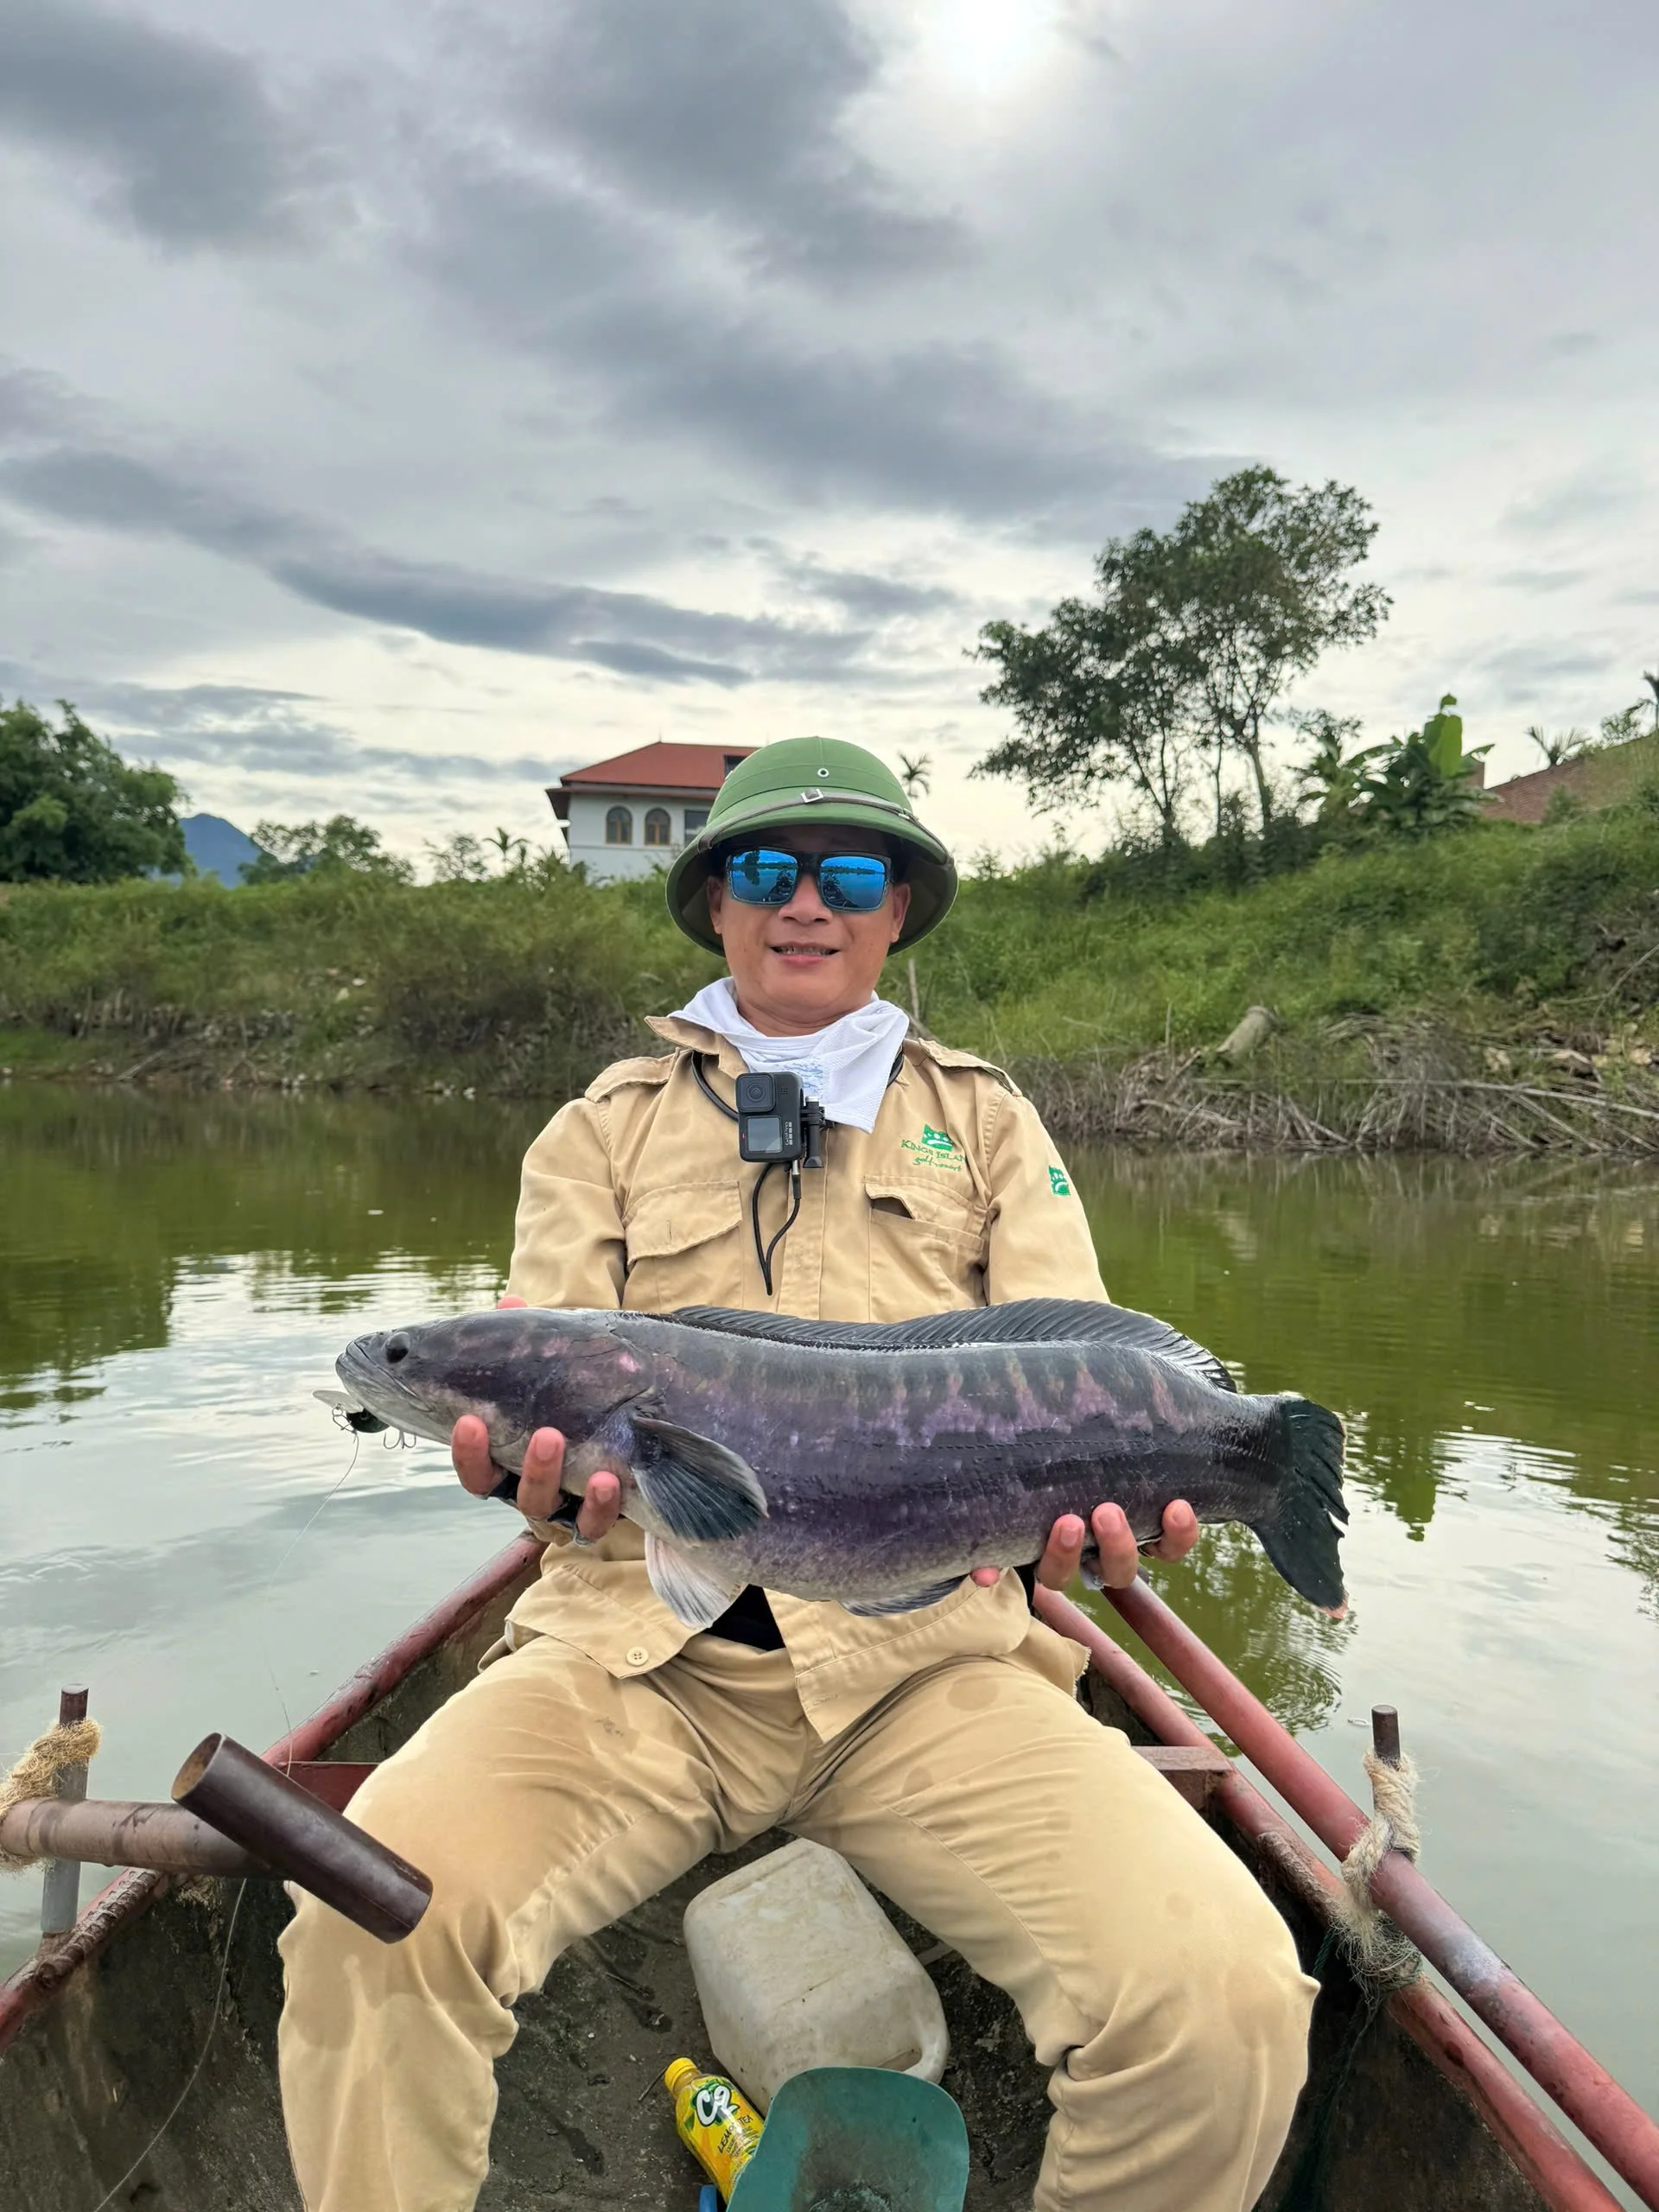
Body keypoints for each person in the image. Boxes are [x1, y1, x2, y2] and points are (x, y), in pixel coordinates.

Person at [277, 737, 1316, 2212]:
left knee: (1224, 1998)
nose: (805, 902)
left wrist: (1100, 1528)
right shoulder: (603, 1127)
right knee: (367, 1906)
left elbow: (1086, 1371)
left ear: (901, 910)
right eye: (765, 871)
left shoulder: (993, 1121)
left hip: (939, 1671)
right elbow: (539, 1384)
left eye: (851, 873)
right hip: (634, 1662)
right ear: (715, 905)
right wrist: (536, 1477)